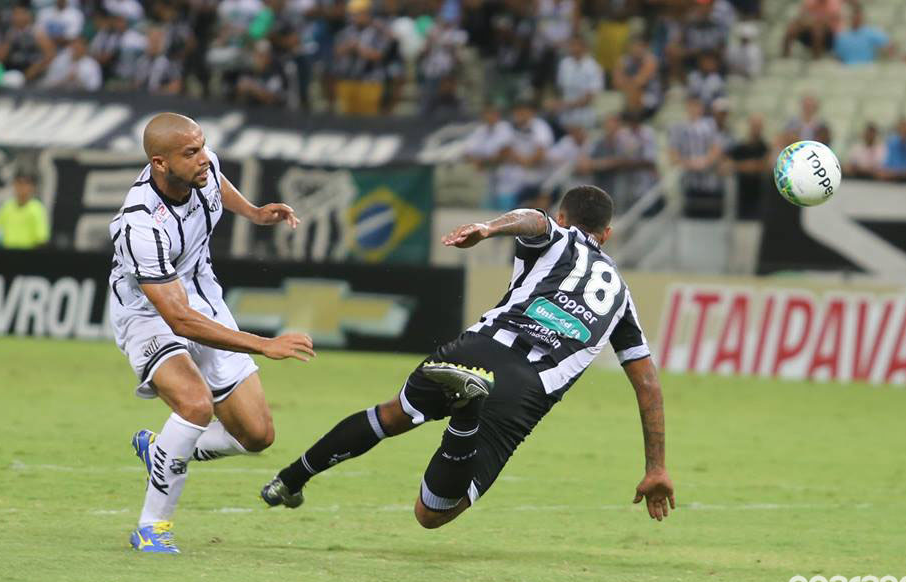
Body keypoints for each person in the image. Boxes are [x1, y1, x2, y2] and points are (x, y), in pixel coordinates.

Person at [261, 186, 675, 528]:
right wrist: (655, 467)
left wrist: (489, 227)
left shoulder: (556, 234)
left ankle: (290, 479)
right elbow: (647, 383)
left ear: (564, 218)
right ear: (607, 235)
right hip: (525, 386)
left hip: (475, 349)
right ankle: (467, 413)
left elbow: (533, 219)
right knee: (433, 513)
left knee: (391, 415)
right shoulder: (621, 297)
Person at [110, 113, 315, 553]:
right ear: (160, 164)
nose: (204, 158)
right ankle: (152, 527)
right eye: (192, 153)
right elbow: (178, 320)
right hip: (149, 313)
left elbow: (217, 183)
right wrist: (265, 344)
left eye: (203, 146)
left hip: (204, 298)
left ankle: (165, 449)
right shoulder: (140, 224)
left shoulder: (201, 167)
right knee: (195, 403)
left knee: (257, 435)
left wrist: (256, 213)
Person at [0, 172, 49, 249]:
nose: (21, 188)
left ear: (32, 187)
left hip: (28, 256)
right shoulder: (6, 207)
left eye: (25, 184)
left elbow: (41, 239)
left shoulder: (37, 209)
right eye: (18, 183)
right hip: (7, 255)